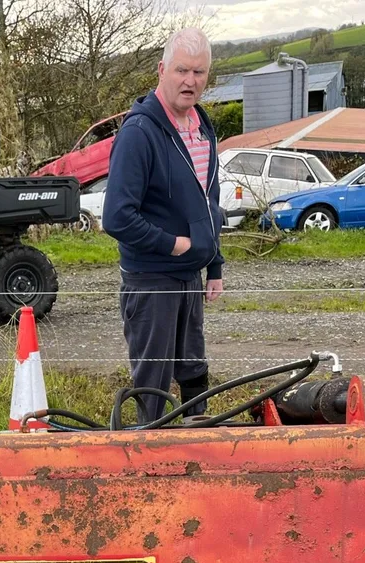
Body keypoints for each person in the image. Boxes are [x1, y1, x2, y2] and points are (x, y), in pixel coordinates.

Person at [103, 27, 224, 424]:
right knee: (153, 381)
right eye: (182, 71)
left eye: (200, 73)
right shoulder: (139, 133)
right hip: (152, 279)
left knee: (193, 368)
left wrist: (214, 265)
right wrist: (174, 245)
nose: (190, 81)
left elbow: (210, 201)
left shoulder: (201, 126)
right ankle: (148, 458)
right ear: (161, 70)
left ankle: (195, 445)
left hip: (189, 275)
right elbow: (117, 217)